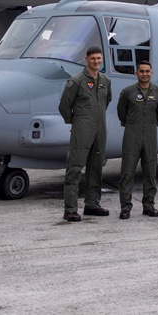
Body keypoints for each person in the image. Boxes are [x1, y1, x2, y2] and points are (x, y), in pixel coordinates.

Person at [59, 46, 112, 222]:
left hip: (99, 128)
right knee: (75, 168)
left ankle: (92, 204)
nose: (96, 61)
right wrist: (76, 121)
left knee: (96, 167)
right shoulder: (76, 81)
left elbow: (107, 101)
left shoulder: (105, 80)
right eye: (93, 59)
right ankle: (71, 209)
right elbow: (64, 106)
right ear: (86, 59)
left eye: (99, 58)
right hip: (82, 128)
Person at [116, 61, 158, 220]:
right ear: (136, 73)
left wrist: (152, 123)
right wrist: (131, 123)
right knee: (127, 173)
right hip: (132, 134)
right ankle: (125, 207)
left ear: (152, 73)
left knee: (150, 172)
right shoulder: (128, 92)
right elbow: (121, 112)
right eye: (142, 71)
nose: (145, 74)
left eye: (148, 71)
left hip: (150, 134)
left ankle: (149, 205)